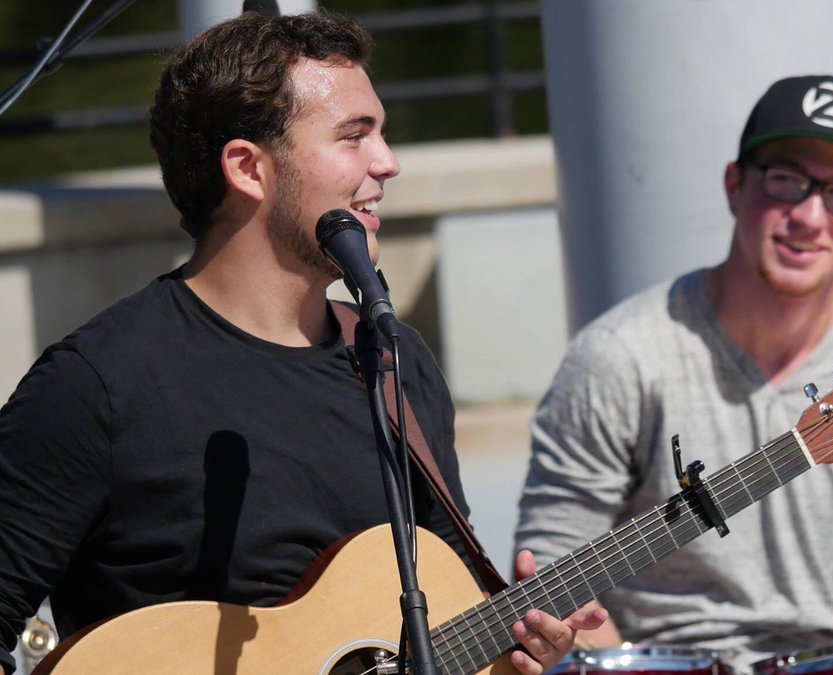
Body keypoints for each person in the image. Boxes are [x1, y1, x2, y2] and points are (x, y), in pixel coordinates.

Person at [0, 11, 603, 675]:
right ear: (248, 169)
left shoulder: (394, 362)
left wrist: (515, 648)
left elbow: (449, 615)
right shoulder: (96, 386)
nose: (389, 162)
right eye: (354, 136)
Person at [514, 76, 833, 670]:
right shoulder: (619, 356)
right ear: (734, 186)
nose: (809, 217)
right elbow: (552, 574)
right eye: (786, 181)